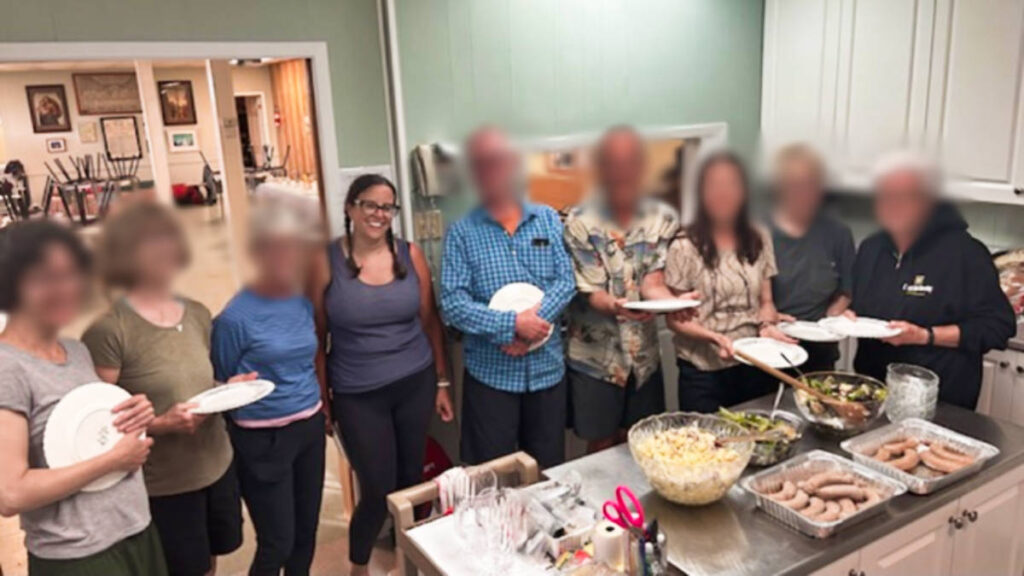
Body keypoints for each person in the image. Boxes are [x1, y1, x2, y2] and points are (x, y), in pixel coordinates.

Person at [82, 202, 248, 576]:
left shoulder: (197, 313)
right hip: (166, 484)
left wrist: (228, 388)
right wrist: (160, 423)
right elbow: (97, 423)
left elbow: (198, 383)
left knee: (210, 562)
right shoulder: (110, 328)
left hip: (215, 464)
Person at [0, 220, 166, 576]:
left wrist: (133, 416)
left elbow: (83, 437)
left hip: (134, 530)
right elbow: (10, 494)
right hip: (78, 556)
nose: (67, 289)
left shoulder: (76, 351)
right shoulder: (6, 367)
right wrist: (113, 460)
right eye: (47, 278)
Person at [312, 174, 454, 576]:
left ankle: (406, 561)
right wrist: (324, 399)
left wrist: (442, 383)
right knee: (375, 489)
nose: (378, 214)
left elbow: (430, 323)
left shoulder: (410, 255)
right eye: (369, 205)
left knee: (410, 483)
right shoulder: (326, 262)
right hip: (358, 393)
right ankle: (359, 568)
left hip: (415, 382)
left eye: (386, 207)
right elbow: (317, 338)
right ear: (350, 209)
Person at [441, 126, 576, 468]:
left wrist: (531, 328)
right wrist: (512, 324)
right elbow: (453, 303)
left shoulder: (546, 219)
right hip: (491, 378)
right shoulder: (462, 232)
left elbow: (567, 280)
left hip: (546, 373)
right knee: (492, 477)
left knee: (547, 473)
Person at [564, 126, 698, 453]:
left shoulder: (661, 218)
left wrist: (673, 302)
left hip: (644, 357)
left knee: (642, 440)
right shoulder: (580, 221)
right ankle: (601, 505)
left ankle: (636, 505)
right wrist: (616, 305)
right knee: (601, 443)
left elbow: (653, 282)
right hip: (598, 359)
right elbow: (591, 291)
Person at [210, 203, 327, 576]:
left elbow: (310, 357)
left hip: (309, 428)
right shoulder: (235, 318)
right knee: (278, 541)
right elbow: (223, 378)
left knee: (306, 533)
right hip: (262, 440)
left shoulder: (299, 301)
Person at [851, 152, 1016, 409]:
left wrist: (924, 336)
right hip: (873, 396)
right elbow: (862, 306)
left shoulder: (966, 254)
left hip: (941, 401)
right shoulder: (871, 248)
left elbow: (997, 327)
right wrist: (849, 317)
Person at [664, 150, 793, 413]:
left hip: (754, 363)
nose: (723, 193)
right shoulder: (683, 246)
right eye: (714, 185)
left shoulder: (759, 235)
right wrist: (714, 337)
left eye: (731, 184)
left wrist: (767, 324)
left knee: (756, 441)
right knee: (706, 447)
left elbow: (766, 302)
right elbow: (675, 319)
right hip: (702, 371)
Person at [769, 144, 856, 371]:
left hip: (819, 350)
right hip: (770, 344)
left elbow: (847, 291)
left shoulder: (838, 233)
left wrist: (831, 318)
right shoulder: (759, 232)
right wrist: (768, 317)